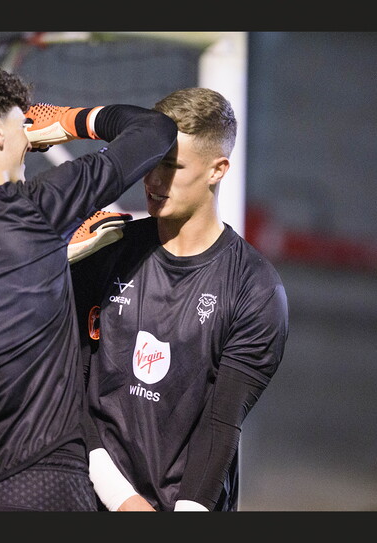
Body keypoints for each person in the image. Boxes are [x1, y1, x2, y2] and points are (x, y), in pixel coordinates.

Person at [0, 63, 177, 511]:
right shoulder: (37, 209)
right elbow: (155, 130)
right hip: (40, 486)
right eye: (21, 123)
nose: (28, 135)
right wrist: (66, 120)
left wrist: (51, 257)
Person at [71, 87, 289, 511]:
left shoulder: (257, 289)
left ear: (217, 170)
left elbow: (220, 426)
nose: (152, 180)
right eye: (152, 162)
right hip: (95, 498)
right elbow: (72, 393)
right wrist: (124, 502)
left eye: (172, 167)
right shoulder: (102, 251)